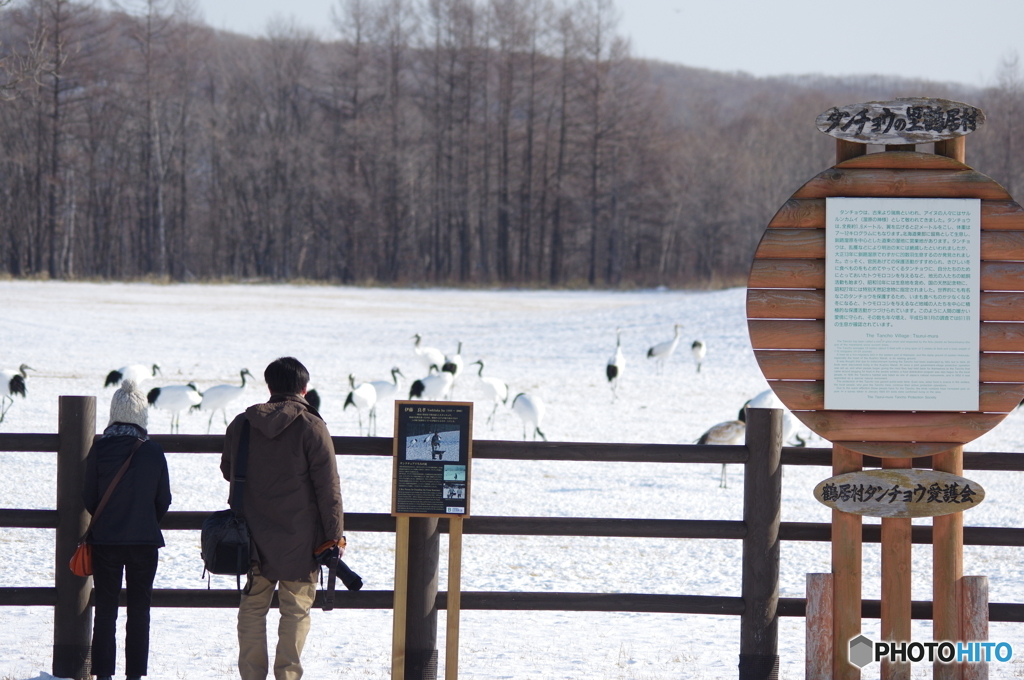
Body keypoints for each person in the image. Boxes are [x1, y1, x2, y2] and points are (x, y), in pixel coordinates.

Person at [221, 357, 344, 680]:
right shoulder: (312, 426)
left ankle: (252, 675)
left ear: (269, 387)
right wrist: (334, 537)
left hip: (252, 537)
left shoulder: (242, 424)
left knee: (251, 608)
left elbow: (227, 470)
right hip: (300, 539)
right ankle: (287, 675)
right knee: (296, 610)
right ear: (304, 389)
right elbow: (328, 488)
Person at [82, 379, 172, 680]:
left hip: (106, 540)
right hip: (144, 542)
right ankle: (135, 675)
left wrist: (109, 519)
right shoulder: (154, 450)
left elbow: (89, 498)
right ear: (142, 413)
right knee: (139, 612)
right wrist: (144, 519)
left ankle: (103, 674)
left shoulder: (99, 448)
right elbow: (164, 500)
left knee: (105, 611)